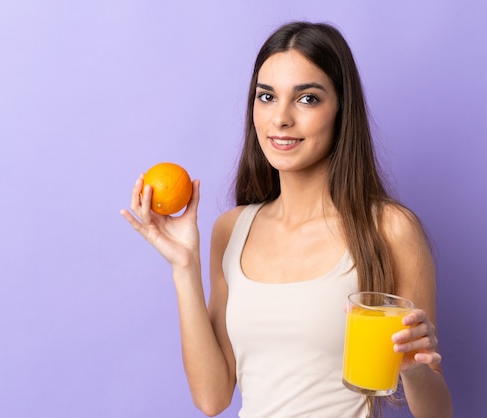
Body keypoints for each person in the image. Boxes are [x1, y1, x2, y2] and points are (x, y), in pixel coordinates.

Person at [121, 21, 452, 418]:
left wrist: (414, 370)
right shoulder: (231, 230)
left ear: (341, 110)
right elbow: (212, 398)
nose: (280, 118)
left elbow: (436, 412)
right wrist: (184, 266)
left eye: (307, 99)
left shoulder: (389, 229)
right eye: (266, 97)